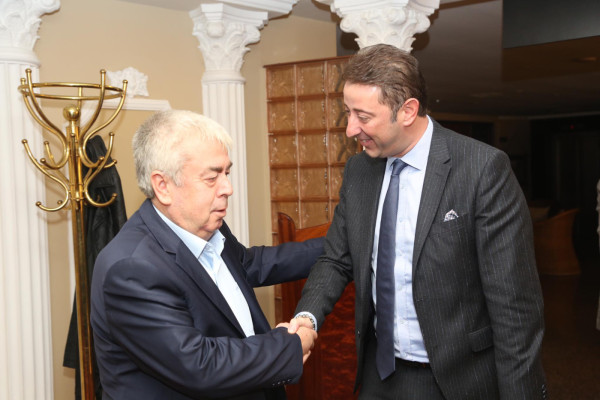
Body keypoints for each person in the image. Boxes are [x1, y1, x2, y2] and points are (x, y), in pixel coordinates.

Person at [288, 44, 547, 399]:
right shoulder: (359, 170)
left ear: (407, 111)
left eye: (363, 116)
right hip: (380, 374)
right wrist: (307, 318)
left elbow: (515, 310)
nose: (350, 129)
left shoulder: (482, 169)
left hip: (457, 382)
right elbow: (336, 258)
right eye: (348, 112)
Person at [91, 110, 322, 400]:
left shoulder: (206, 226)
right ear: (163, 186)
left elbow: (250, 264)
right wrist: (289, 345)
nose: (228, 188)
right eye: (212, 178)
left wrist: (339, 247)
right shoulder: (132, 268)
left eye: (227, 173)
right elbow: (199, 366)